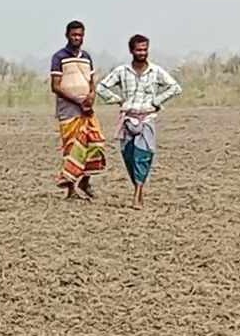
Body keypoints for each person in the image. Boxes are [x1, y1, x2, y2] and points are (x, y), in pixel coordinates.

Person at [96, 34, 183, 209]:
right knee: (129, 156)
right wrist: (118, 100)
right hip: (128, 118)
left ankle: (138, 193)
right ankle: (137, 186)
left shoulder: (156, 71)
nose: (142, 53)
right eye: (138, 50)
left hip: (147, 118)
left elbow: (175, 88)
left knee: (143, 155)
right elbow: (101, 87)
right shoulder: (122, 71)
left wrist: (157, 101)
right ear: (131, 51)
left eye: (145, 49)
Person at [50, 20, 106, 198]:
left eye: (80, 35)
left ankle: (85, 181)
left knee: (95, 143)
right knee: (72, 148)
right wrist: (77, 101)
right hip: (68, 111)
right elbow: (55, 86)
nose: (77, 38)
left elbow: (91, 83)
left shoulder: (86, 57)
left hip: (87, 110)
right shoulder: (59, 57)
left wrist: (90, 98)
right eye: (74, 35)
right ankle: (71, 189)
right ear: (67, 35)